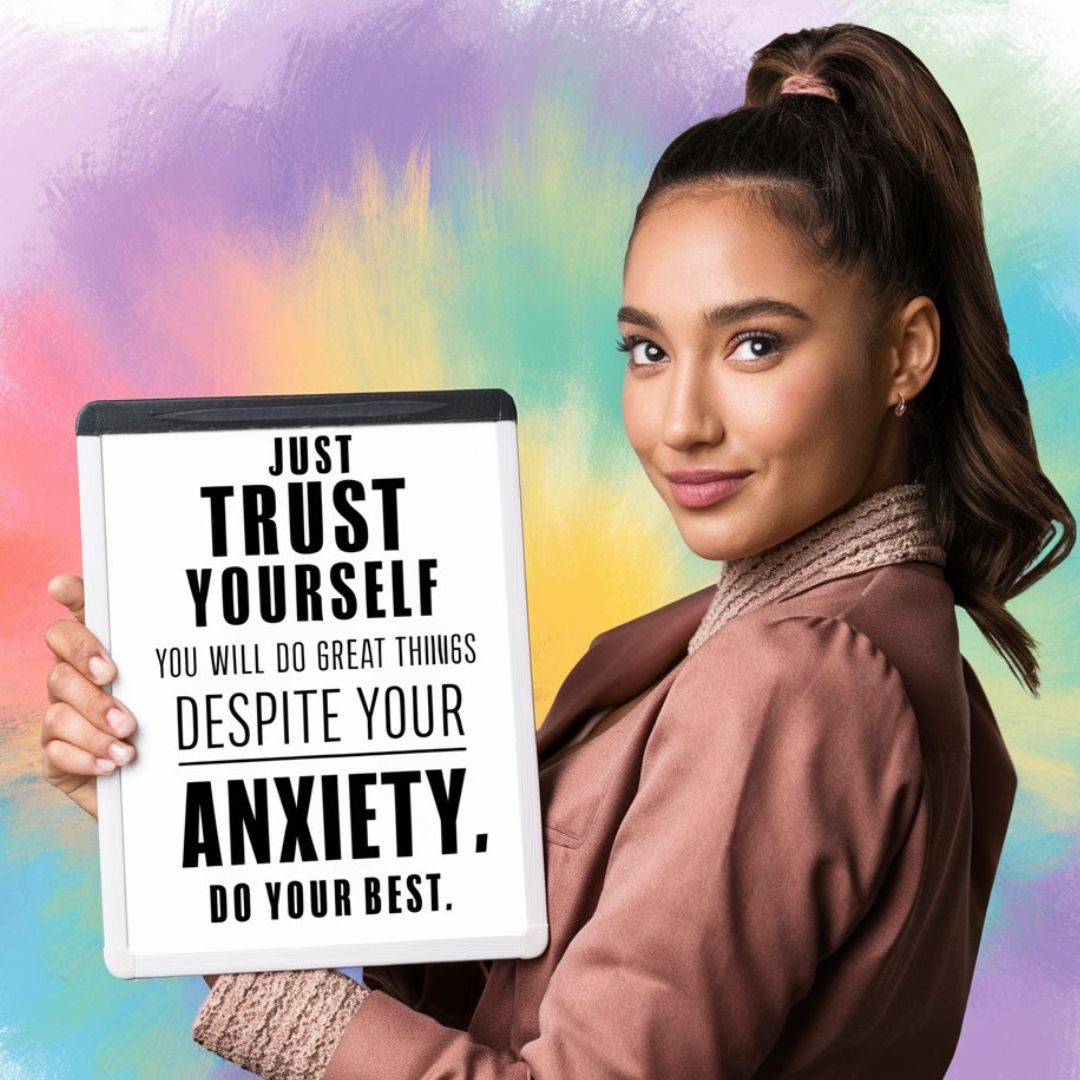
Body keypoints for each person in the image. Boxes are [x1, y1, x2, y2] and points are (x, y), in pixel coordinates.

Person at [40, 22, 1073, 1080]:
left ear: (905, 353)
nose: (681, 421)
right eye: (648, 349)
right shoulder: (863, 644)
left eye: (756, 344)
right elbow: (500, 998)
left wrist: (267, 993)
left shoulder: (795, 676)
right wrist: (179, 785)